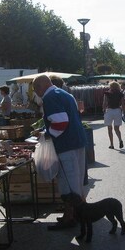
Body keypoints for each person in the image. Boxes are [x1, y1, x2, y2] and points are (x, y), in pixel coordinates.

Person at [32, 74, 87, 230]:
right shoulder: (65, 94)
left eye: (36, 89)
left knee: (68, 183)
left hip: (66, 145)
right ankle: (76, 215)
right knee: (76, 180)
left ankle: (71, 218)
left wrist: (45, 134)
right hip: (77, 141)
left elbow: (61, 122)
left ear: (39, 87)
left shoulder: (50, 98)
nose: (36, 93)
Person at [103, 81, 125, 149]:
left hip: (109, 110)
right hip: (117, 110)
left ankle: (112, 144)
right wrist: (123, 111)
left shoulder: (107, 93)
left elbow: (105, 103)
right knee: (117, 128)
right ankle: (120, 140)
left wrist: (104, 110)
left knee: (109, 128)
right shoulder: (120, 94)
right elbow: (122, 103)